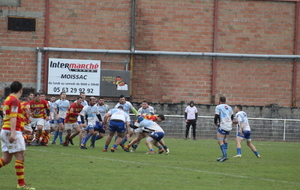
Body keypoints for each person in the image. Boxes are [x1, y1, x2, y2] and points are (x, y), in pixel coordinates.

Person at [0, 81, 36, 190]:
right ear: (20, 90)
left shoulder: (7, 100)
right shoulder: (15, 100)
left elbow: (10, 117)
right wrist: (13, 132)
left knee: (6, 159)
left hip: (5, 130)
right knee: (20, 157)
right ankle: (21, 184)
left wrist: (23, 129)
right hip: (11, 131)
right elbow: (13, 117)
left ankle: (21, 184)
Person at [214, 96, 234, 162]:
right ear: (225, 101)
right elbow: (232, 116)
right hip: (229, 125)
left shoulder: (218, 107)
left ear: (219, 101)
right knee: (225, 140)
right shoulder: (230, 107)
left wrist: (215, 122)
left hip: (223, 125)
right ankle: (224, 155)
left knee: (220, 141)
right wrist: (229, 122)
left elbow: (216, 116)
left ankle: (225, 155)